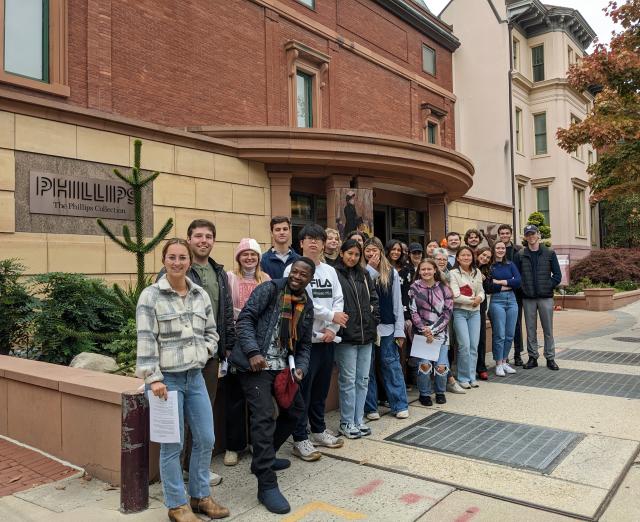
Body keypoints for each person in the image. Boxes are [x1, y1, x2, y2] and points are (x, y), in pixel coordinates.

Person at [137, 238, 229, 522]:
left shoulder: (200, 294)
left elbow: (212, 332)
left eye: (182, 258)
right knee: (172, 445)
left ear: (190, 261)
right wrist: (153, 378)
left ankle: (200, 496)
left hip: (195, 377)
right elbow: (145, 339)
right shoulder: (150, 296)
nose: (177, 263)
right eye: (171, 257)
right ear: (164, 260)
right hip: (167, 382)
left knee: (205, 437)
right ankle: (177, 504)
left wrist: (205, 352)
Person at [229, 259, 315, 514]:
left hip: (283, 368)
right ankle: (266, 484)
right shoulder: (270, 289)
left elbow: (305, 345)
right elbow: (244, 320)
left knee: (296, 413)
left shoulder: (306, 305)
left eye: (304, 274)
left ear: (310, 278)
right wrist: (254, 351)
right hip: (255, 366)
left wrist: (301, 367)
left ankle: (262, 458)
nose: (297, 276)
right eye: (295, 272)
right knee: (264, 417)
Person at [157, 219, 235, 487]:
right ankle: (176, 471)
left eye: (209, 236)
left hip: (208, 355)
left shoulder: (218, 271)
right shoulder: (174, 272)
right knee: (178, 422)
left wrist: (225, 347)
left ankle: (196, 470)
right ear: (190, 240)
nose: (204, 240)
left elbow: (224, 312)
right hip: (176, 361)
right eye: (198, 236)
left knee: (203, 417)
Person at [283, 224, 347, 461]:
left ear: (323, 244)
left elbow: (338, 298)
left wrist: (332, 328)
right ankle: (300, 438)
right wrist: (330, 318)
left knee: (321, 389)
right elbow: (301, 300)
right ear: (300, 243)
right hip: (305, 341)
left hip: (328, 339)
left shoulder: (330, 271)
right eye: (308, 239)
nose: (313, 243)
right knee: (303, 393)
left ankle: (318, 430)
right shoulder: (292, 268)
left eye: (317, 239)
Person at [223, 239, 271, 467]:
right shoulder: (230, 278)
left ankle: (255, 442)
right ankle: (234, 446)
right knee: (234, 399)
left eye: (253, 254)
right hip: (236, 345)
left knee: (258, 399)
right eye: (245, 254)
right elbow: (227, 310)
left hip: (259, 346)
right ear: (238, 257)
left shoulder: (266, 280)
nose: (249, 258)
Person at [333, 240, 380, 438]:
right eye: (349, 253)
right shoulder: (334, 273)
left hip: (366, 335)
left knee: (363, 380)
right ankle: (346, 422)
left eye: (356, 254)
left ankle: (358, 419)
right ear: (342, 253)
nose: (352, 258)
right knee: (348, 380)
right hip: (346, 336)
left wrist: (374, 319)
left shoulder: (364, 273)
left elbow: (374, 299)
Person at [363, 237, 409, 420]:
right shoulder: (360, 271)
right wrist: (370, 269)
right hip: (366, 328)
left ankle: (399, 404)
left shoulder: (391, 272)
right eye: (368, 250)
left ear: (381, 251)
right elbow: (362, 287)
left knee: (391, 366)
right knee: (367, 369)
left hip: (388, 327)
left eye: (375, 250)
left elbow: (397, 302)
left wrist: (400, 330)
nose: (371, 253)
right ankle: (370, 407)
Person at [515, 225, 562, 370]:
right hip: (528, 298)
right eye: (528, 234)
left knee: (548, 329)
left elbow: (558, 275)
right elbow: (517, 277)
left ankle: (550, 358)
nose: (531, 237)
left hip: (545, 297)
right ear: (525, 237)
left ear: (538, 235)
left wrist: (548, 286)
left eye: (533, 234)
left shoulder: (549, 253)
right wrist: (524, 288)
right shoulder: (520, 255)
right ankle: (532, 357)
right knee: (530, 329)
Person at [409, 258, 454, 405]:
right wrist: (424, 329)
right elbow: (413, 311)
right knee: (425, 366)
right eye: (423, 269)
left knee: (441, 367)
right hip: (422, 335)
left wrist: (433, 330)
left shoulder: (444, 288)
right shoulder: (414, 288)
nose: (426, 272)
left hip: (441, 335)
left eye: (429, 269)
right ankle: (424, 394)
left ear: (435, 270)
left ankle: (440, 392)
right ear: (419, 271)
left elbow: (447, 314)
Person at [449, 246, 485, 389]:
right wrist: (473, 300)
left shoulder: (477, 272)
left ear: (472, 257)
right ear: (457, 258)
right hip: (460, 312)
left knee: (473, 346)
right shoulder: (453, 273)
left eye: (468, 255)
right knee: (464, 345)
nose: (466, 257)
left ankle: (471, 376)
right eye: (463, 255)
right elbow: (455, 295)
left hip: (475, 313)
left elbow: (481, 291)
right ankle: (462, 377)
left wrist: (480, 298)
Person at [432, 248, 466, 395]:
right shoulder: (428, 273)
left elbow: (454, 294)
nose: (441, 261)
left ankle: (446, 379)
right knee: (434, 349)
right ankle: (449, 380)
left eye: (444, 259)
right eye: (438, 259)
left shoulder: (450, 274)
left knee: (445, 347)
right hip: (430, 318)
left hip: (446, 316)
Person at [486, 241, 521, 377]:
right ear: (493, 250)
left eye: (502, 248)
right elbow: (489, 285)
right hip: (497, 300)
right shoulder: (490, 266)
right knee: (499, 334)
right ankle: (498, 364)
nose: (500, 250)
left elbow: (518, 281)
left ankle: (505, 361)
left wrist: (499, 282)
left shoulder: (510, 264)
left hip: (512, 300)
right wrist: (508, 282)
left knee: (510, 333)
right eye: (497, 248)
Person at [497, 224, 524, 366]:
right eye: (502, 233)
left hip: (516, 292)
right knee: (502, 326)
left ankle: (517, 354)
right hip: (499, 293)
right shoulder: (495, 250)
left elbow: (521, 273)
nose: (505, 235)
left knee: (516, 325)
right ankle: (503, 356)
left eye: (507, 233)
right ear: (499, 235)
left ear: (511, 234)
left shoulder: (518, 251)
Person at [399, 243, 424, 386]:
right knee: (409, 349)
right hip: (408, 314)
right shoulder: (405, 270)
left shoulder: (424, 268)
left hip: (422, 314)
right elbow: (403, 294)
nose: (417, 255)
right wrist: (407, 316)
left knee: (421, 348)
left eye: (419, 253)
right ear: (409, 254)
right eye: (414, 253)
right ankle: (410, 379)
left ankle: (419, 378)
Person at [475, 246, 492, 381]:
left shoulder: (487, 270)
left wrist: (485, 279)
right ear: (478, 254)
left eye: (488, 257)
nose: (485, 258)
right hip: (466, 305)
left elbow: (489, 289)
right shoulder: (469, 265)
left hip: (480, 306)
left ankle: (481, 367)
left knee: (481, 337)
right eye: (483, 255)